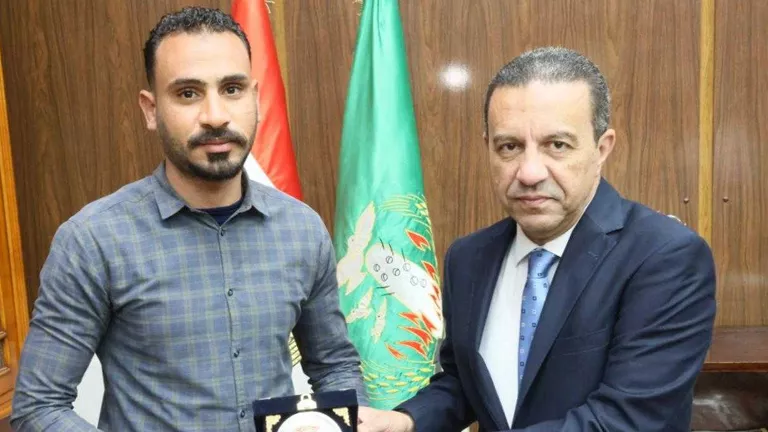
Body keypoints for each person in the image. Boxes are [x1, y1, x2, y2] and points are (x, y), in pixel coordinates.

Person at [11, 7, 367, 431]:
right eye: (187, 93)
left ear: (255, 99)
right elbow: (39, 407)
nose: (215, 116)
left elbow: (334, 367)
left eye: (232, 89)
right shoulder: (92, 241)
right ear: (150, 109)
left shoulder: (302, 231)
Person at [358, 46, 716, 431]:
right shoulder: (468, 258)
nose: (529, 172)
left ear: (601, 149)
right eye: (509, 147)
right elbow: (466, 382)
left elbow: (626, 420)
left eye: (556, 145)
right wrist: (406, 420)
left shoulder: (665, 257)